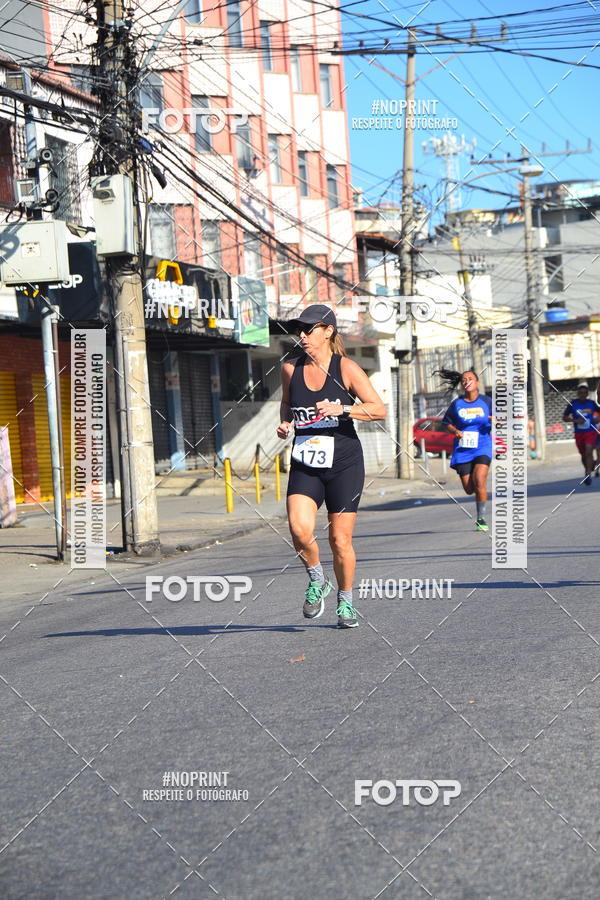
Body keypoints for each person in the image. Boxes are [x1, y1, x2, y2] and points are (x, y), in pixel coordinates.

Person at [277, 303, 386, 628]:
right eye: (300, 330)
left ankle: (346, 602)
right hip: (306, 461)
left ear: (327, 331)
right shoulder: (290, 368)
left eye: (309, 329)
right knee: (298, 529)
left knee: (340, 540)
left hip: (344, 463)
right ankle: (316, 579)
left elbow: (378, 409)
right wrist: (284, 423)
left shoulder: (346, 368)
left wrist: (343, 410)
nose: (303, 335)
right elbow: (287, 403)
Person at [438, 368, 492, 532]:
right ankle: (478, 493)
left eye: (470, 378)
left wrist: (497, 421)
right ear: (462, 385)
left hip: (482, 446)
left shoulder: (487, 402)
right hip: (463, 449)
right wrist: (455, 431)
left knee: (480, 479)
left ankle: (481, 519)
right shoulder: (457, 404)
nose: (466, 381)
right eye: (463, 380)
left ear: (477, 383)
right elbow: (446, 423)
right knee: (469, 489)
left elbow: (502, 419)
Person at [562, 382, 600, 486]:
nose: (583, 394)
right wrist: (575, 420)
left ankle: (588, 475)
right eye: (581, 393)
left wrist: (597, 419)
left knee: (588, 451)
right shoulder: (573, 404)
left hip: (590, 432)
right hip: (579, 433)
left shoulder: (592, 403)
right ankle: (588, 468)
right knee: (583, 455)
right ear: (578, 394)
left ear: (587, 394)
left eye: (585, 393)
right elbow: (564, 417)